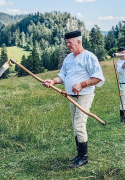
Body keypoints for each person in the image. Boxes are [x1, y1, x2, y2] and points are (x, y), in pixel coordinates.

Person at [42, 30, 105, 168]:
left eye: (70, 42)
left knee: (79, 125)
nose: (68, 45)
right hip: (71, 97)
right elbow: (62, 76)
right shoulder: (68, 58)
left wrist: (82, 84)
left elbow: (98, 77)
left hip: (85, 96)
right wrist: (53, 81)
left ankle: (84, 158)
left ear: (79, 41)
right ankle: (79, 155)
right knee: (75, 126)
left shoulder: (89, 57)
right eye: (67, 43)